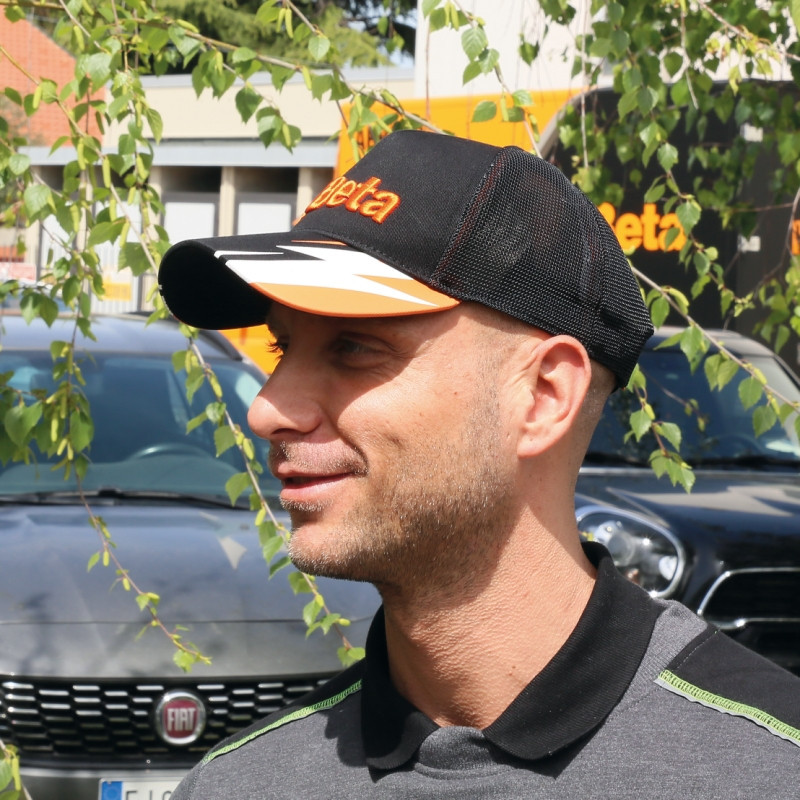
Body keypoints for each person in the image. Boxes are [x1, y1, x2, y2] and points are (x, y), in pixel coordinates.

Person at [158, 130, 800, 798]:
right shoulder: (239, 784)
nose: (267, 409)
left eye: (353, 347)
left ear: (544, 396)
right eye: (282, 346)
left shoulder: (768, 769)